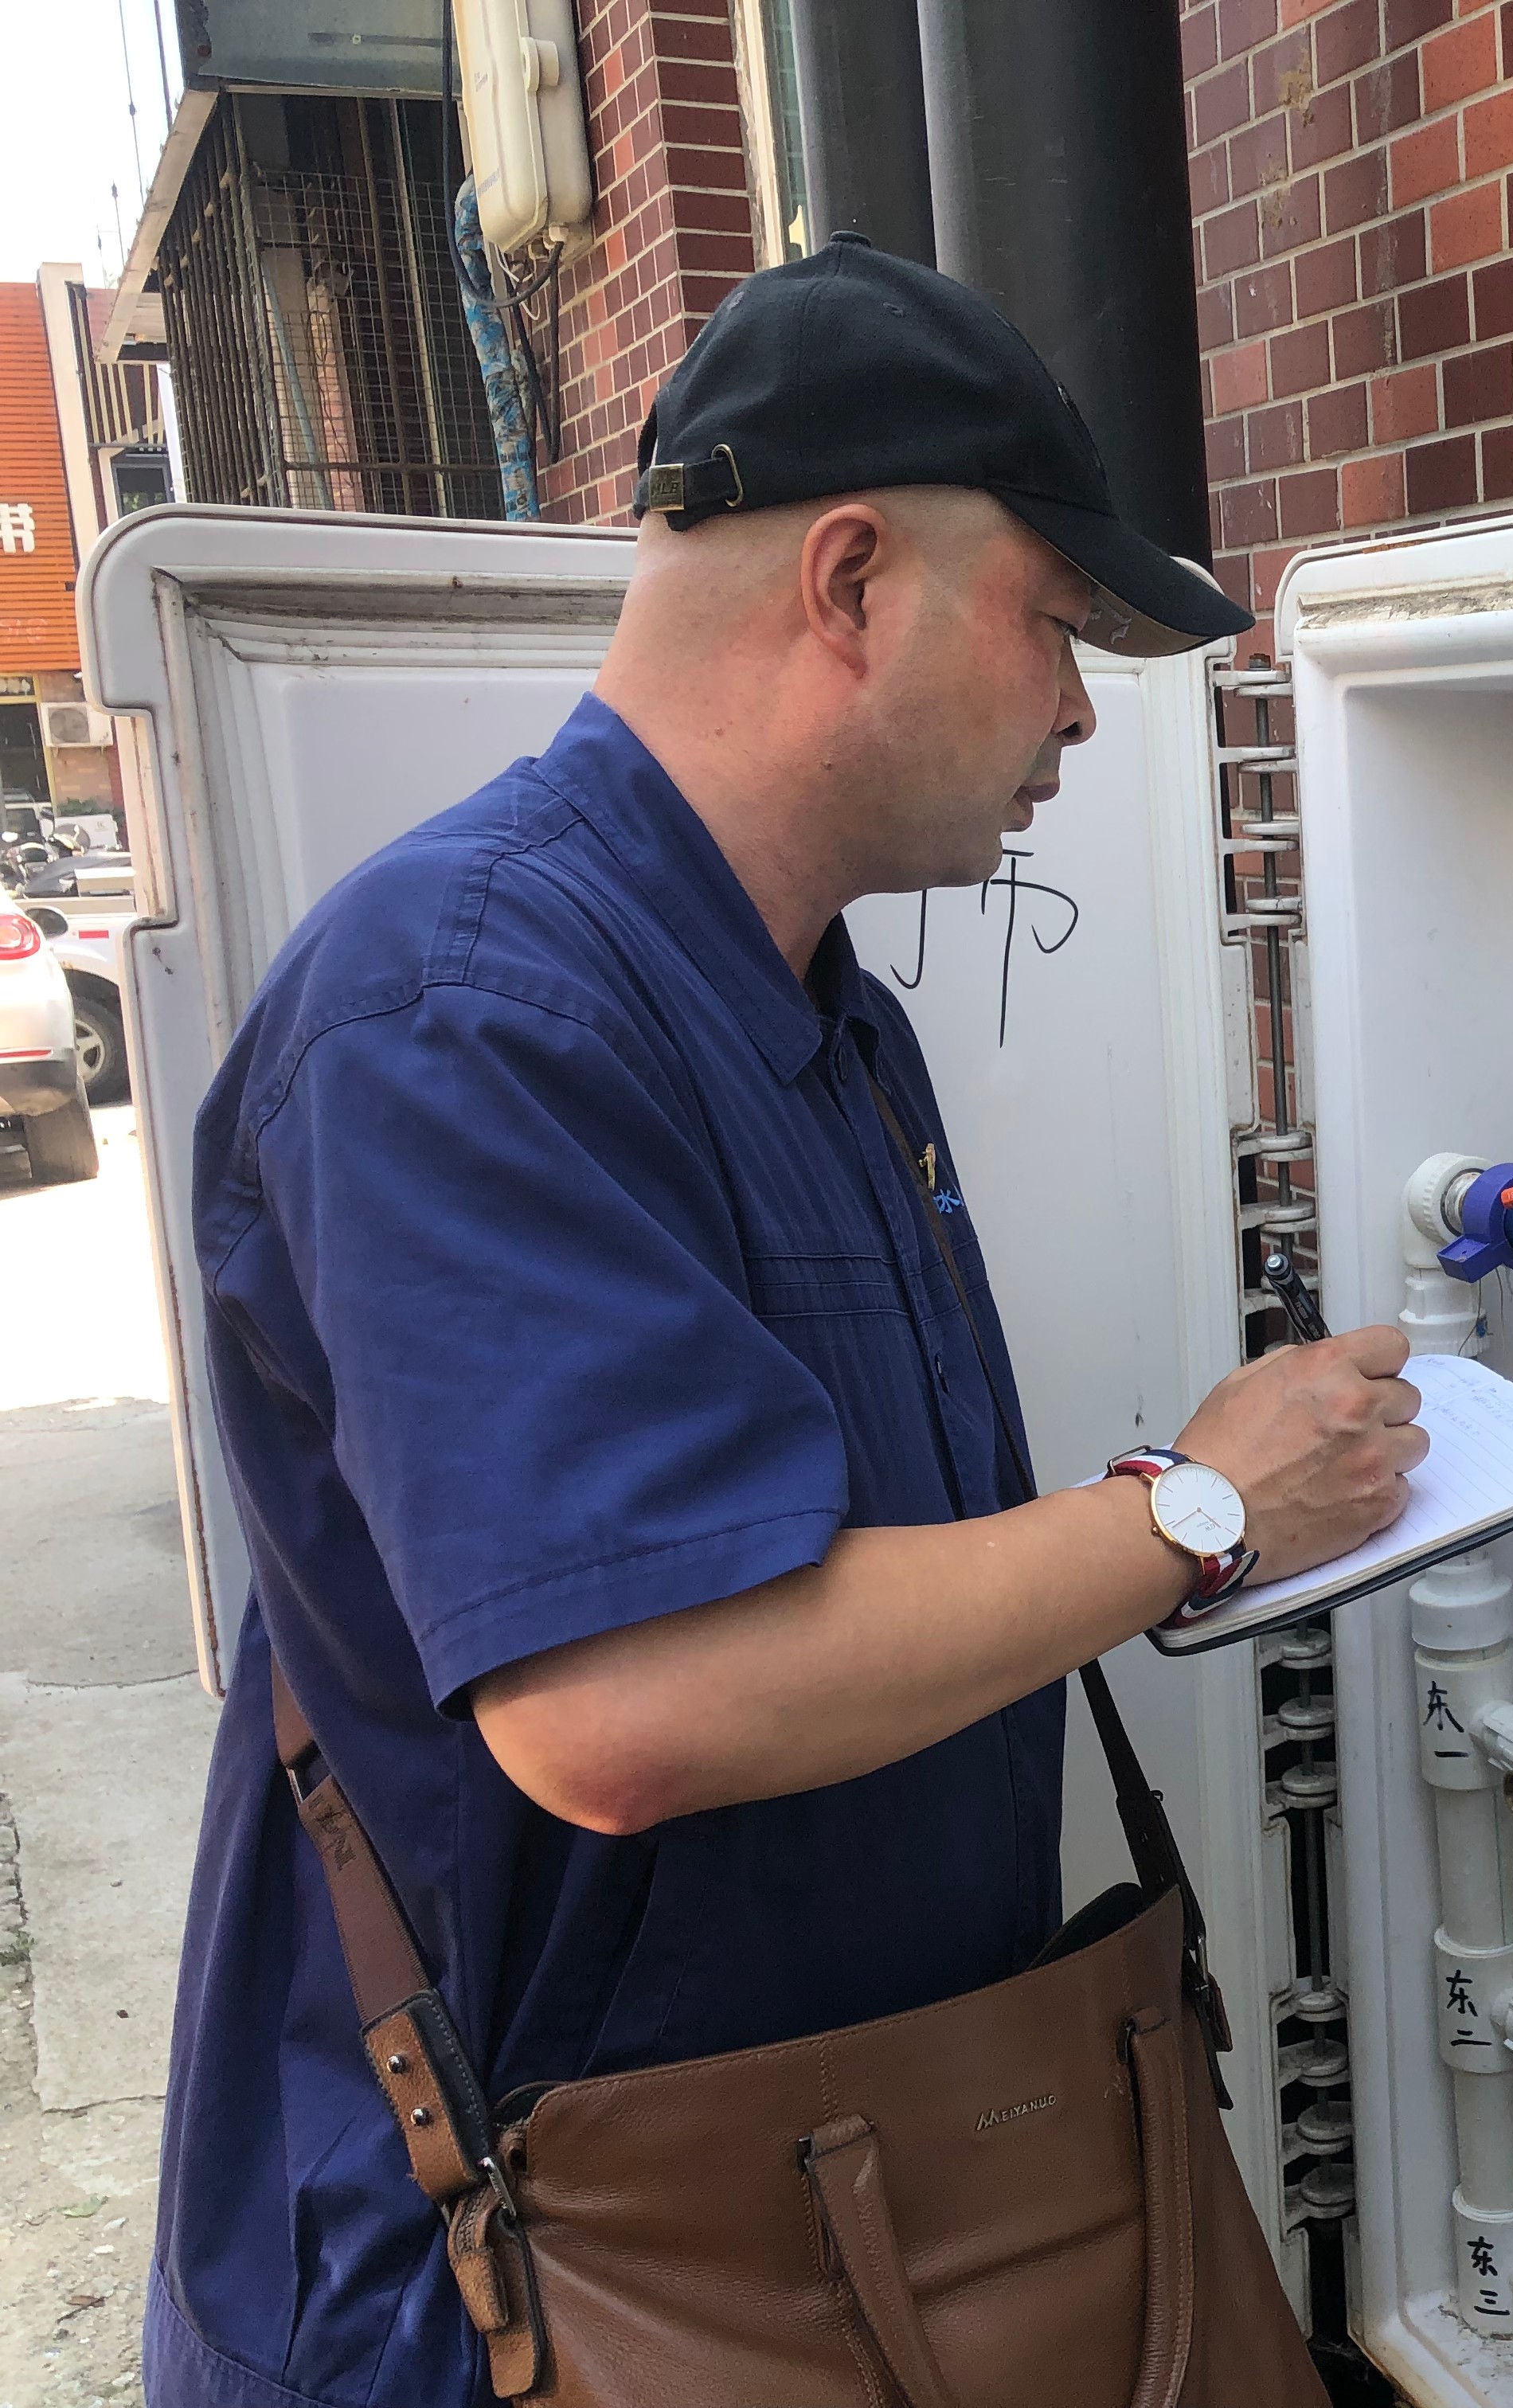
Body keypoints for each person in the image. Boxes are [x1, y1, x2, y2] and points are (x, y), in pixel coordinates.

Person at [145, 235, 1422, 2408]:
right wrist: (1194, 1513)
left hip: (840, 2216)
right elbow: (629, 1701)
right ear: (850, 580)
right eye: (1057, 624)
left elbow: (835, 1585)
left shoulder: (814, 1009)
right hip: (537, 2298)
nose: (1079, 711)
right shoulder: (459, 1010)